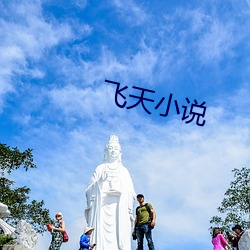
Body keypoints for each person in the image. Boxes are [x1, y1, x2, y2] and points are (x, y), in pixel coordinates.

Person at [85, 135, 136, 250]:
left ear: (120, 152)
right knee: (100, 237)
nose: (113, 151)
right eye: (111, 148)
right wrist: (100, 181)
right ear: (106, 151)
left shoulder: (124, 171)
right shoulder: (100, 169)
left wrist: (122, 192)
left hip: (119, 209)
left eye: (115, 149)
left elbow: (131, 193)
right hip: (101, 208)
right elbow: (88, 190)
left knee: (119, 237)